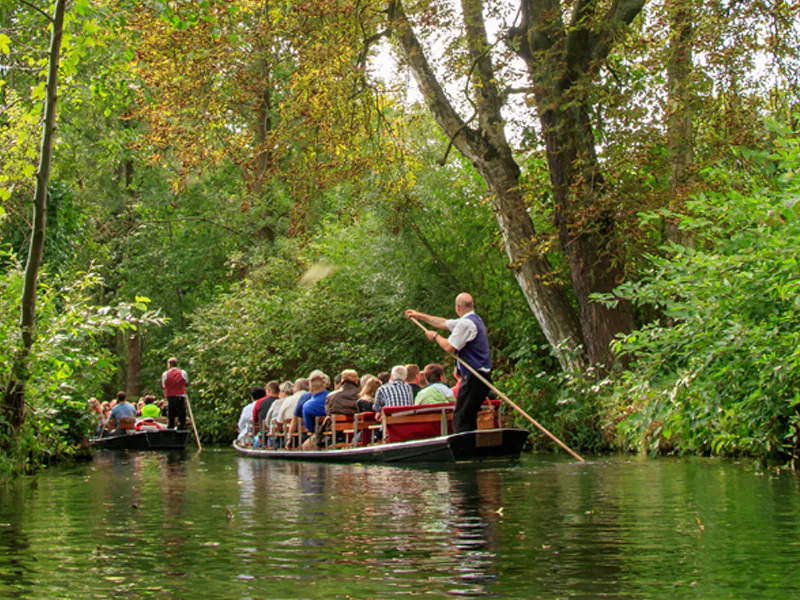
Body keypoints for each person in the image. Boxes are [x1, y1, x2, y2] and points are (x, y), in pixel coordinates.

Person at [405, 292, 492, 432]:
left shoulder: (465, 324)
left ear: (458, 308)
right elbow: (442, 322)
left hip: (475, 377)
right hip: (481, 376)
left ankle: (465, 444)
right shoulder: (474, 320)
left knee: (461, 418)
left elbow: (449, 347)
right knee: (467, 416)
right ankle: (471, 441)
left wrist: (435, 336)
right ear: (472, 306)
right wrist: (418, 315)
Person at [162, 357, 189, 429]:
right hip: (180, 395)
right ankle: (181, 425)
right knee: (181, 412)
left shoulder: (165, 374)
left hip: (170, 395)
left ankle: (170, 426)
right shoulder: (183, 372)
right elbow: (186, 382)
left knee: (171, 412)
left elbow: (164, 385)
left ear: (169, 365)